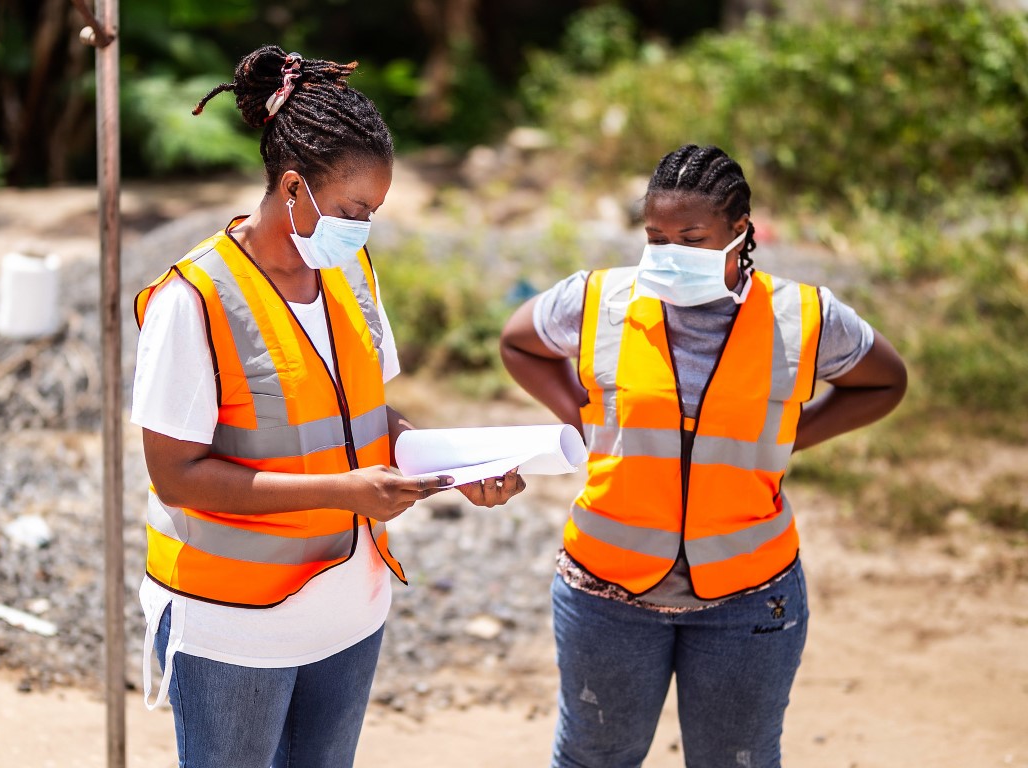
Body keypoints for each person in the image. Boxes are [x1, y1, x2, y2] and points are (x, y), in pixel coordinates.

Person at [130, 45, 525, 768]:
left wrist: (451, 466)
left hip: (351, 613)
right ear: (291, 188)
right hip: (235, 629)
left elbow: (370, 419)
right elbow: (177, 476)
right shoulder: (194, 299)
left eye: (372, 211)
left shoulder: (347, 269)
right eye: (353, 210)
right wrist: (346, 490)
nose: (364, 228)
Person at [500, 144, 907, 768]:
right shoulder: (599, 301)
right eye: (655, 236)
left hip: (748, 599)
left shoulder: (802, 317)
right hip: (605, 593)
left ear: (737, 232)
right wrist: (579, 411)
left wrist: (798, 434)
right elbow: (519, 343)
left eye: (691, 237)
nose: (668, 253)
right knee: (593, 758)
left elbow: (885, 381)